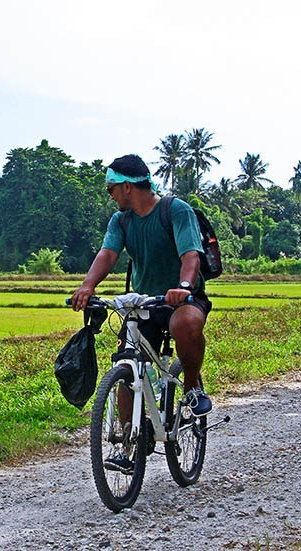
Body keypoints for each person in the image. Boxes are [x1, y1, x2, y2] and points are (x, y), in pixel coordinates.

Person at [70, 154, 213, 419]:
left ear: (126, 186)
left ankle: (192, 387)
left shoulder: (176, 210)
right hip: (144, 303)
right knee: (127, 358)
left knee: (185, 325)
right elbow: (108, 254)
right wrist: (87, 286)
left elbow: (191, 254)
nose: (110, 195)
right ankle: (126, 441)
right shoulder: (121, 220)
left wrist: (183, 287)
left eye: (110, 189)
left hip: (182, 299)